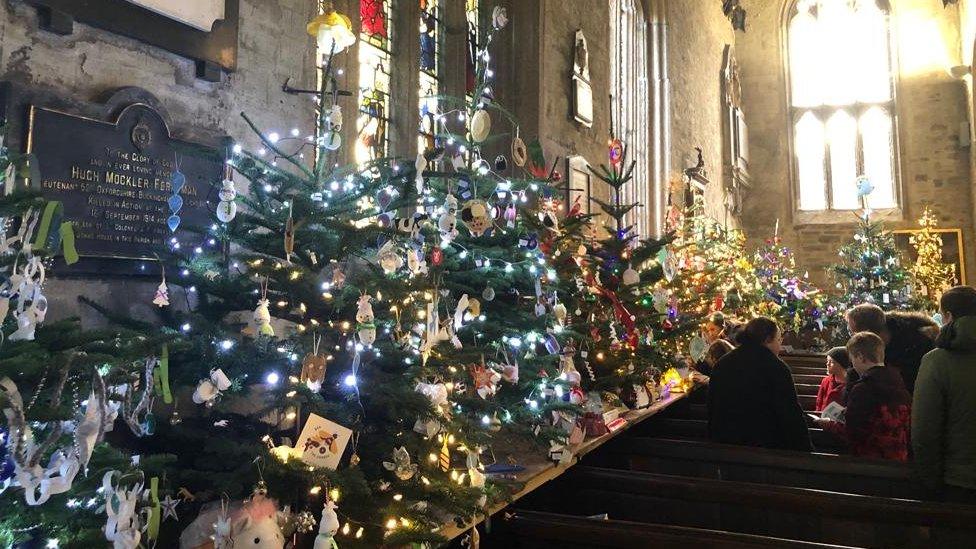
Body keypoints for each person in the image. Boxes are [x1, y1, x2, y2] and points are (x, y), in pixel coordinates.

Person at [707, 317, 812, 451]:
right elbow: (790, 412)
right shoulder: (776, 367)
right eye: (779, 340)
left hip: (726, 445)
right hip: (766, 448)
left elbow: (712, 405)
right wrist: (806, 449)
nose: (780, 345)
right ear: (768, 339)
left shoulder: (723, 363)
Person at [912, 286, 976, 503]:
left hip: (961, 482)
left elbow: (925, 430)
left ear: (947, 316)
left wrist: (930, 483)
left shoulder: (937, 361)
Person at [817, 332, 911, 461]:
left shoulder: (863, 388)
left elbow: (852, 432)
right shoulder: (898, 381)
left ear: (860, 357)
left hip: (869, 460)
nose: (853, 365)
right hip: (899, 457)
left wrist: (829, 425)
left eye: (853, 359)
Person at [845, 303, 938, 394]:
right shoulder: (860, 347)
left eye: (853, 332)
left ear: (867, 332)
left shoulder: (916, 340)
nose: (853, 337)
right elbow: (852, 378)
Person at [816, 347, 850, 412]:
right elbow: (819, 402)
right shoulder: (826, 381)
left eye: (831, 362)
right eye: (827, 361)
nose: (827, 364)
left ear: (841, 365)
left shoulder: (850, 383)